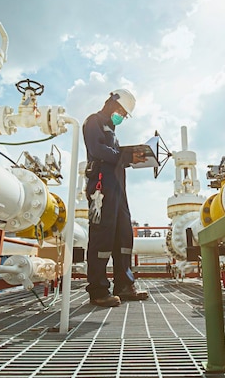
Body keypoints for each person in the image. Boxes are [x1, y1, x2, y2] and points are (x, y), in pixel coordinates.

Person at [82, 89, 149, 307]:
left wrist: (132, 156)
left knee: (123, 235)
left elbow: (116, 155)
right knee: (102, 235)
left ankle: (124, 286)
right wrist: (126, 156)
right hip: (101, 186)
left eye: (125, 114)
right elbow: (98, 150)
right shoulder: (94, 121)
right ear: (111, 103)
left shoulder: (113, 132)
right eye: (120, 110)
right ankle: (98, 290)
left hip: (118, 188)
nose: (122, 115)